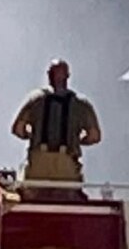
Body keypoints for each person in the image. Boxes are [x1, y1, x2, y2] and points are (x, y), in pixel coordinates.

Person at [11, 59, 101, 188]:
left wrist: (31, 135)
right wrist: (77, 141)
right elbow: (94, 136)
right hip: (67, 164)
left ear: (49, 75)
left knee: (32, 198)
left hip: (39, 163)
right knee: (68, 200)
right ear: (68, 76)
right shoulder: (81, 104)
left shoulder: (35, 99)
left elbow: (18, 129)